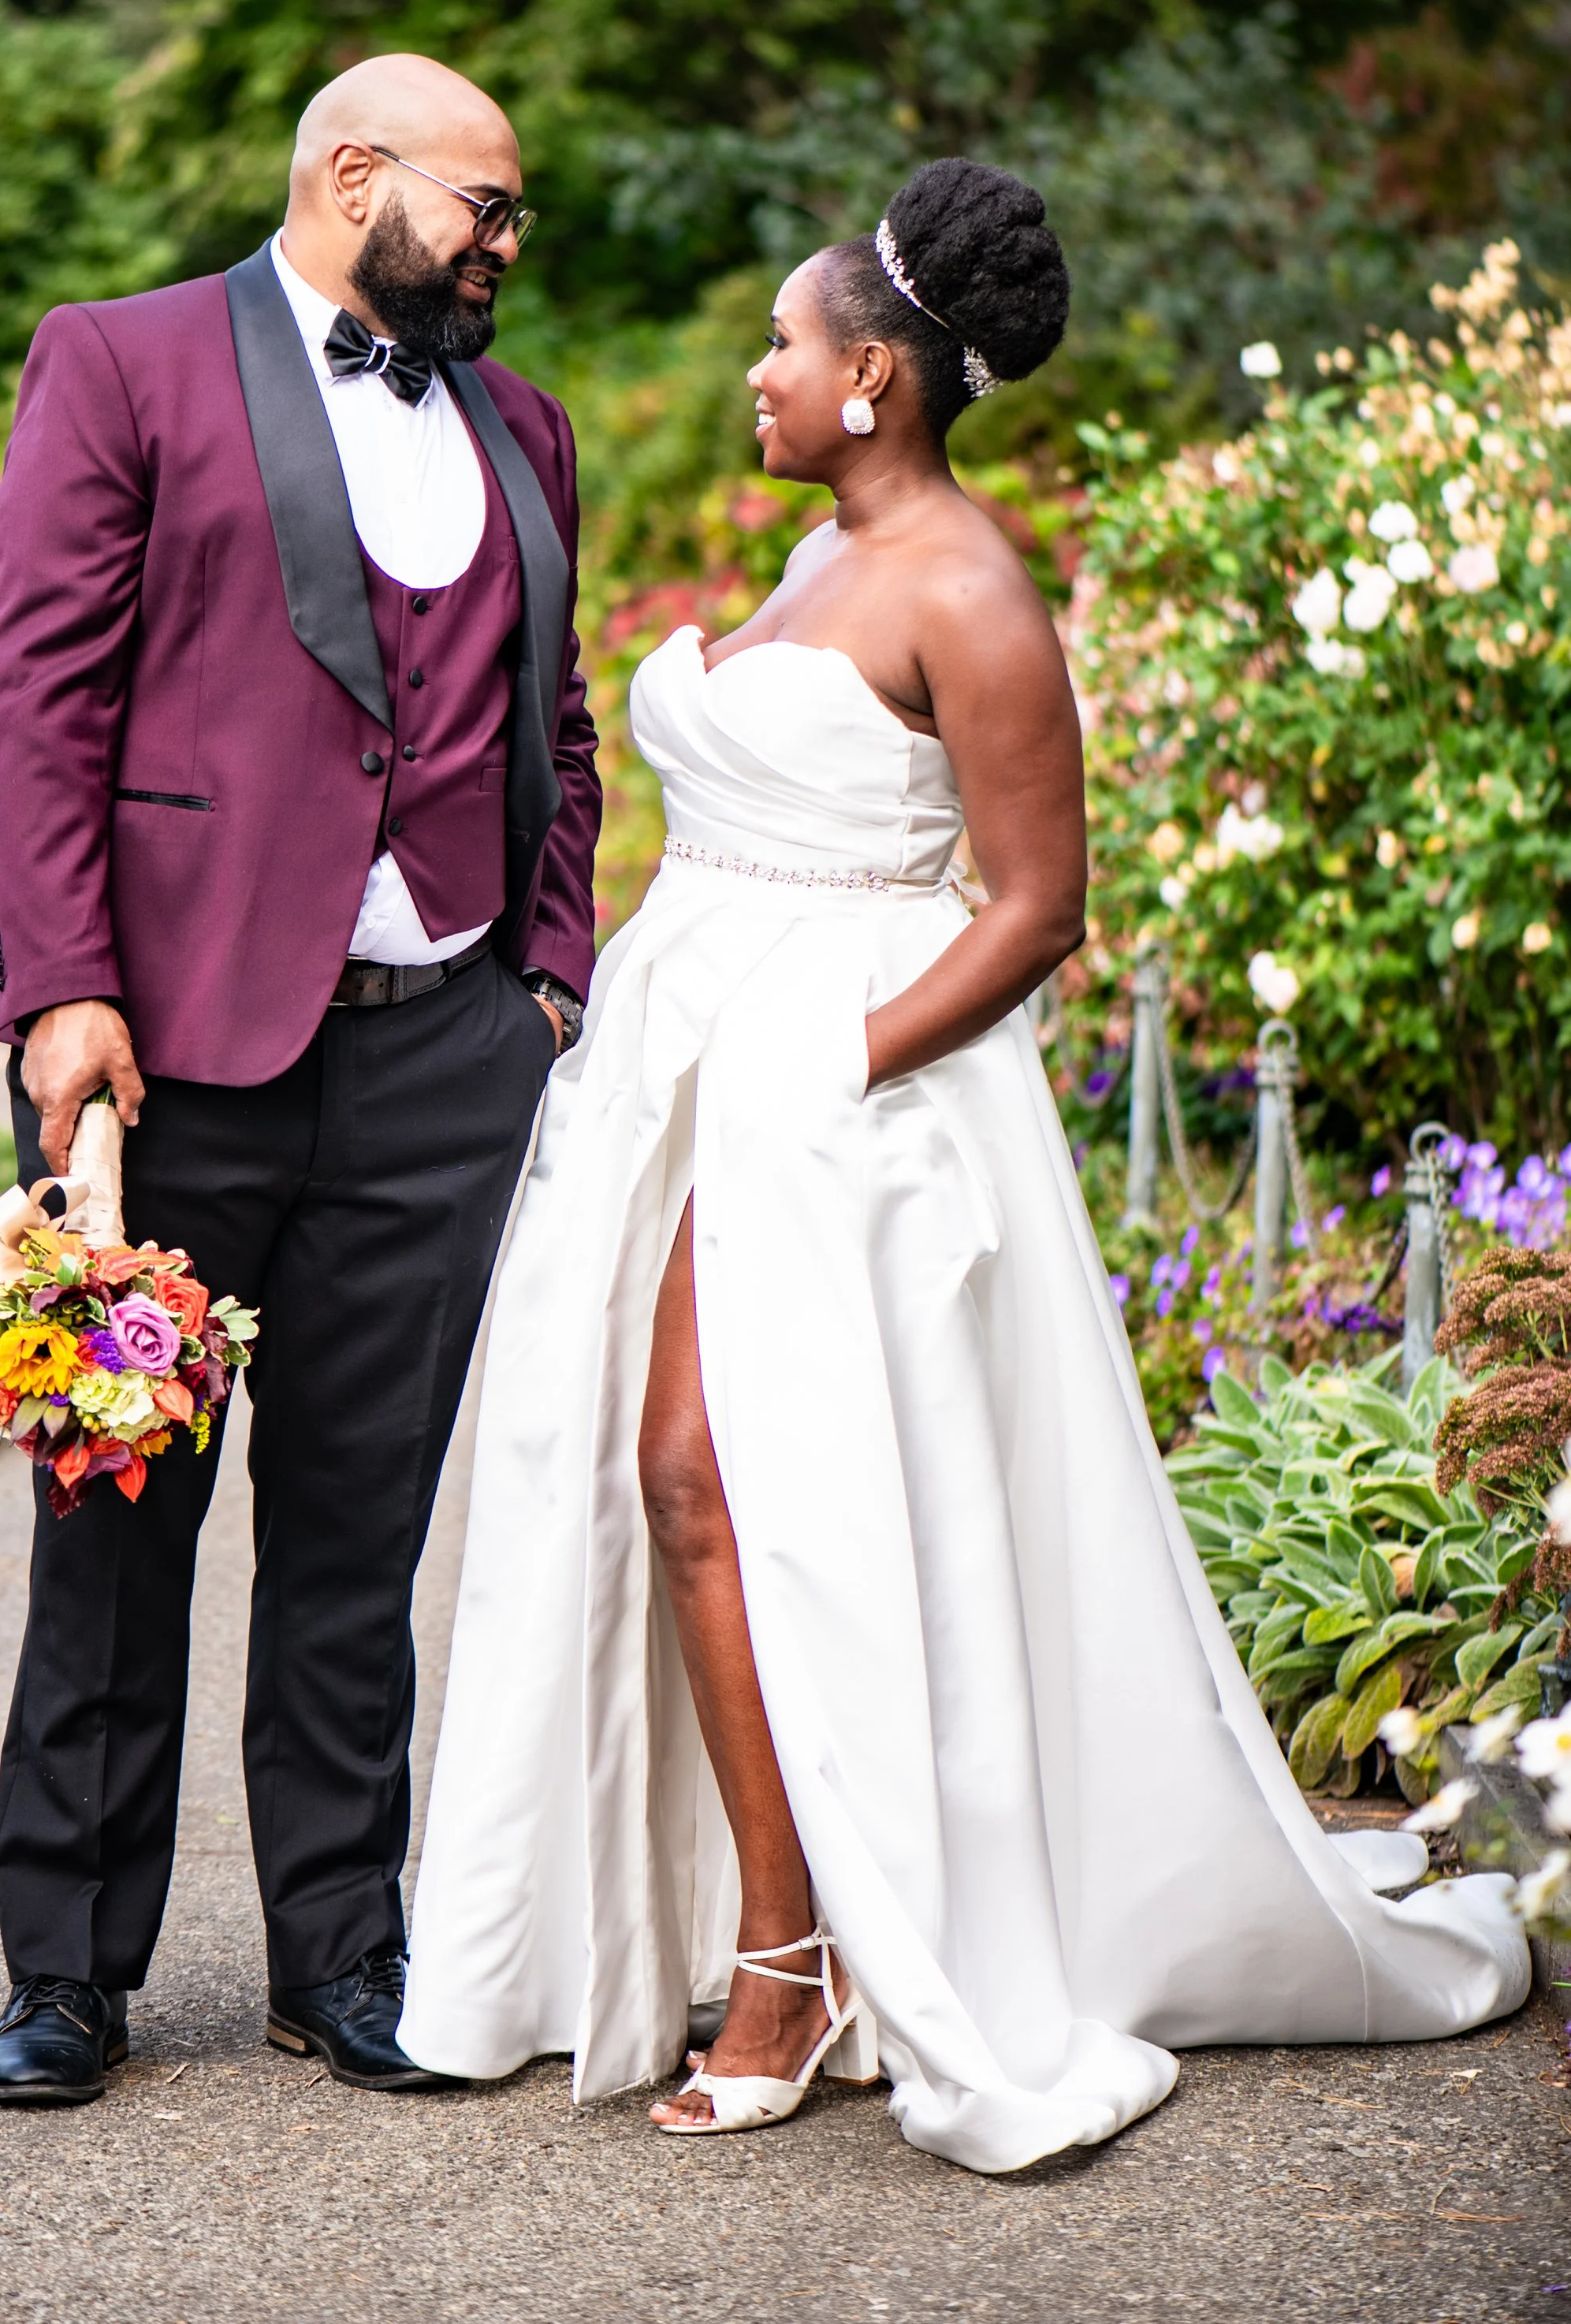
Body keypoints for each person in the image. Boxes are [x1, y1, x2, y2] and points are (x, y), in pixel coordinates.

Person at [399, 156, 1528, 2171]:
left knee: (721, 1486)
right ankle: (777, 1921)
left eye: (781, 339)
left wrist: (826, 1061)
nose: (753, 370)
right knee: (683, 1486)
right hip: (704, 1076)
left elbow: (1035, 909)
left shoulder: (966, 586)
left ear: (873, 380)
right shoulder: (828, 553)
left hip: (850, 1107)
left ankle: (792, 1950)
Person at [0, 54, 600, 2103]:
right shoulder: (126, 362)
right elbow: (40, 685)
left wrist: (550, 973)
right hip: (168, 1058)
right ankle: (69, 1966)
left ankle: (342, 1953)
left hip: (441, 1060)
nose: (508, 244)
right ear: (355, 175)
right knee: (115, 1510)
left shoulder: (526, 427)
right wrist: (61, 984)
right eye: (485, 206)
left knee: (355, 1540)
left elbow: (555, 722)